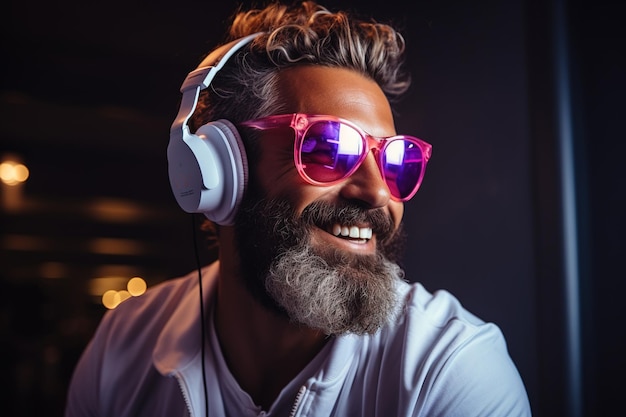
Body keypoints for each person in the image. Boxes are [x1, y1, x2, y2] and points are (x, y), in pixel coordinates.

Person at [65, 1, 532, 416]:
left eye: (396, 161)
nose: (377, 193)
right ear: (221, 172)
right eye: (329, 149)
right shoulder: (122, 346)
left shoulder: (452, 371)